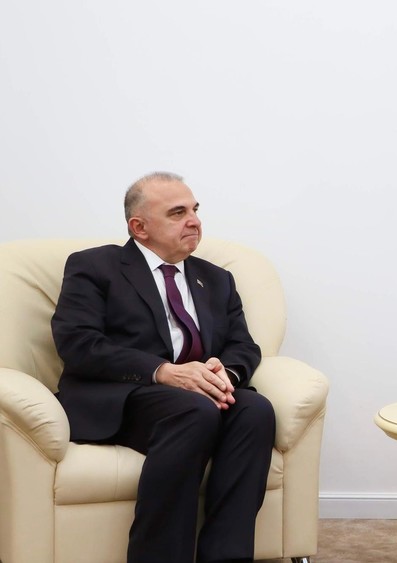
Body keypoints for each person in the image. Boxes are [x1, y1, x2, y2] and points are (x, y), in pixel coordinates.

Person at [51, 172, 276, 563]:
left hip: (196, 398)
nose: (194, 221)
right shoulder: (94, 267)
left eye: (195, 210)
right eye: (177, 213)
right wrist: (164, 371)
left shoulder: (217, 279)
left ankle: (226, 556)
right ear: (139, 227)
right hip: (124, 396)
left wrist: (225, 375)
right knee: (195, 410)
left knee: (255, 409)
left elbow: (243, 345)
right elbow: (78, 344)